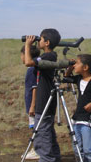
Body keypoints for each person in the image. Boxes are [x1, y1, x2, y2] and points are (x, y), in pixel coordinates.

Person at [24, 28, 61, 162]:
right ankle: (55, 158)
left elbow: (28, 62)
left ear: (47, 42)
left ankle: (46, 159)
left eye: (41, 39)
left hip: (45, 99)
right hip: (45, 98)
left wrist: (27, 45)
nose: (38, 41)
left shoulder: (49, 56)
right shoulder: (48, 56)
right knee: (48, 133)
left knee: (42, 134)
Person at [20, 45, 40, 160]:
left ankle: (37, 149)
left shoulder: (32, 69)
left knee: (36, 128)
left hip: (34, 106)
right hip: (31, 104)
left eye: (22, 54)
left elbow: (34, 88)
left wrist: (32, 106)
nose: (21, 57)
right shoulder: (32, 68)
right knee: (35, 127)